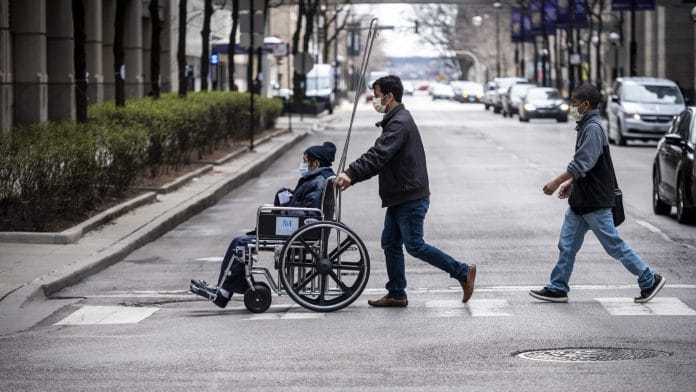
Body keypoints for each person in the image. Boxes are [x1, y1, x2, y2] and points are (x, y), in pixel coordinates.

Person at [335, 75, 477, 307]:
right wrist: (353, 175)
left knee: (415, 245)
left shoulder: (399, 123)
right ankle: (397, 293)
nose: (375, 99)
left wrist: (351, 173)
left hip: (410, 196)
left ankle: (462, 271)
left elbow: (378, 155)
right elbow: (381, 158)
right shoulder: (396, 120)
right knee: (390, 244)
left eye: (378, 95)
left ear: (389, 96)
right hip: (401, 196)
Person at [530, 83, 665, 304]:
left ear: (586, 104)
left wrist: (556, 181)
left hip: (595, 201)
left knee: (614, 246)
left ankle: (649, 279)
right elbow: (587, 165)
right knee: (567, 245)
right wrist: (572, 183)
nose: (572, 105)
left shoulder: (593, 128)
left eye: (574, 102)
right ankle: (558, 287)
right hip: (582, 200)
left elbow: (582, 162)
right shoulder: (586, 125)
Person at [190, 141, 337, 308]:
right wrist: (287, 198)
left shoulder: (317, 182)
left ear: (315, 163)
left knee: (241, 244)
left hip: (301, 232)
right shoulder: (317, 179)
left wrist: (284, 208)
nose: (302, 165)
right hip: (300, 229)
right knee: (241, 241)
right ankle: (233, 288)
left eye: (305, 161)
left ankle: (224, 292)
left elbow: (308, 214)